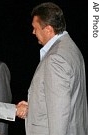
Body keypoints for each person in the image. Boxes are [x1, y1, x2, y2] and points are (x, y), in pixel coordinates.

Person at [25, 2, 87, 135]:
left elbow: (59, 112)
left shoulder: (56, 58)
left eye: (35, 28)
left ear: (48, 29)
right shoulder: (71, 48)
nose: (33, 32)